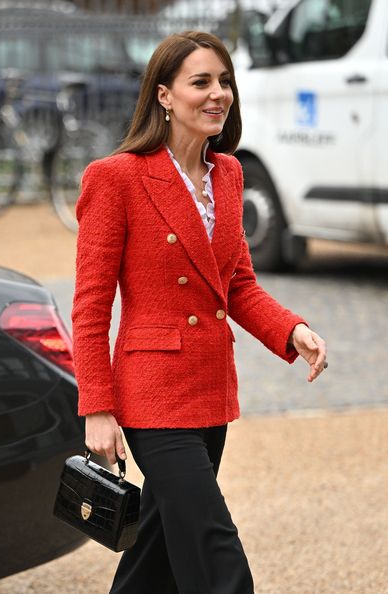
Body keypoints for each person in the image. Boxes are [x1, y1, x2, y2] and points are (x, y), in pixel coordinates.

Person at [71, 30, 327, 594]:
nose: (219, 94)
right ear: (164, 95)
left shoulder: (228, 176)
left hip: (210, 389)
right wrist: (96, 407)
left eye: (224, 81)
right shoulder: (116, 178)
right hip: (152, 398)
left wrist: (292, 329)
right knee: (216, 554)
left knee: (160, 549)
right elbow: (91, 308)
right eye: (201, 82)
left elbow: (236, 285)